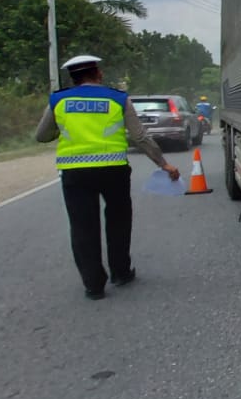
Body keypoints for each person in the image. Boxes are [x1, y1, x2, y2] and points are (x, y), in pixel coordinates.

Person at [34, 55, 179, 300]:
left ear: (73, 78)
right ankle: (121, 272)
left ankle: (93, 285)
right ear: (98, 73)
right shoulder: (118, 98)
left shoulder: (58, 100)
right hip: (114, 170)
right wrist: (163, 164)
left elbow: (42, 135)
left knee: (82, 227)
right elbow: (140, 137)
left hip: (75, 173)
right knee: (119, 222)